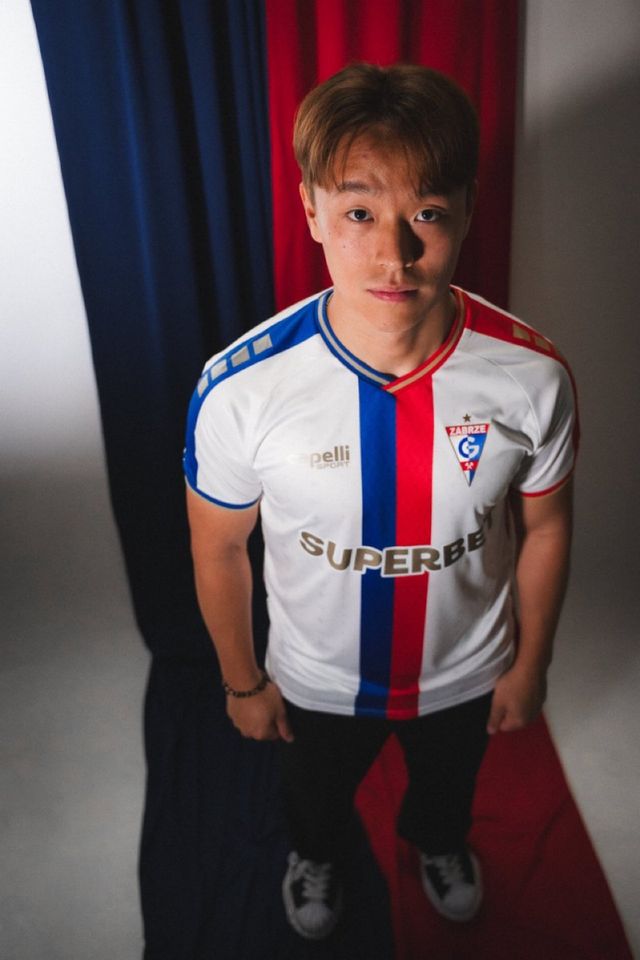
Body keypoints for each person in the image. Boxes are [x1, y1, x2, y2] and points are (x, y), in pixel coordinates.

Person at [183, 62, 577, 941]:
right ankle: (314, 855)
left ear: (467, 208)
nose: (395, 255)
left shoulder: (534, 377)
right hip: (317, 676)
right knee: (315, 799)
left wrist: (531, 664)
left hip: (468, 670)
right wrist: (243, 680)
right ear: (311, 209)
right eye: (360, 213)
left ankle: (438, 842)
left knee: (446, 793)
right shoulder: (241, 389)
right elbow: (218, 547)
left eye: (426, 213)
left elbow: (547, 527)